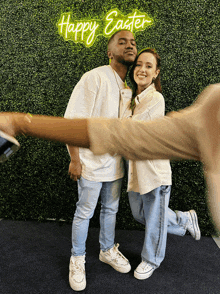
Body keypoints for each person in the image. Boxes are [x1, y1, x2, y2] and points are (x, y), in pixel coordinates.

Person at [0, 84, 220, 246]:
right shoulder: (213, 107)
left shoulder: (156, 99)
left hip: (144, 172)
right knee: (118, 213)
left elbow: (126, 133)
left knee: (139, 215)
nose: (130, 47)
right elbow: (123, 135)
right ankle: (84, 255)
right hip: (112, 168)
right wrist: (19, 123)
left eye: (148, 65)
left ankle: (134, 256)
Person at [63, 30, 137, 291]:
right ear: (109, 52)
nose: (129, 45)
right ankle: (77, 257)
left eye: (133, 42)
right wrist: (75, 159)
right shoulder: (94, 77)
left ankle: (107, 250)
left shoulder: (128, 87)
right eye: (122, 42)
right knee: (84, 212)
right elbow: (73, 122)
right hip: (90, 163)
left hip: (115, 165)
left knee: (111, 210)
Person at [120, 48, 201, 280]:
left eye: (148, 66)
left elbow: (129, 129)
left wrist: (123, 107)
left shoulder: (155, 98)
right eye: (139, 65)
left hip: (154, 172)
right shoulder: (134, 99)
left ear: (156, 73)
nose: (142, 70)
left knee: (154, 217)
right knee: (140, 215)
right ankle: (183, 219)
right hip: (136, 170)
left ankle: (151, 259)